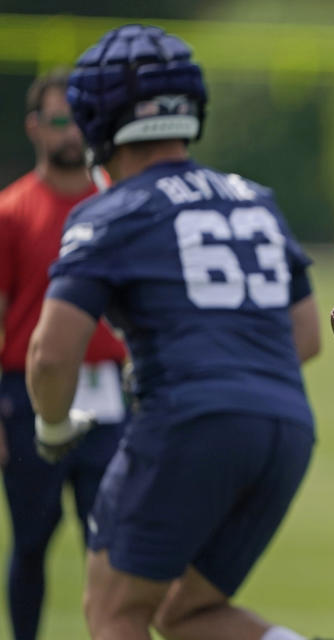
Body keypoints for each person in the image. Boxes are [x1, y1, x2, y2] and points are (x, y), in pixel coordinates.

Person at [24, 25, 326, 640]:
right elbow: (306, 337)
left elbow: (51, 357)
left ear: (95, 116)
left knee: (114, 611)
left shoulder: (109, 212)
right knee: (184, 613)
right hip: (288, 427)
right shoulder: (254, 199)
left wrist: (54, 427)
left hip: (189, 421)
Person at [0, 69, 127, 640]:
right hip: (28, 394)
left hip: (111, 392)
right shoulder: (11, 211)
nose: (71, 132)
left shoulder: (121, 206)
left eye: (78, 118)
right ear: (35, 127)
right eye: (58, 120)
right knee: (31, 539)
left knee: (117, 540)